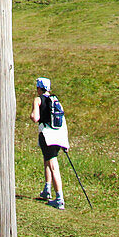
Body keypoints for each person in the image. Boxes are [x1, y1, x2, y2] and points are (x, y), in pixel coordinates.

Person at [31, 77, 69, 209]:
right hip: (59, 137)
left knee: (53, 165)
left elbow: (35, 118)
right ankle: (47, 190)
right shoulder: (55, 100)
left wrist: (33, 114)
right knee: (47, 159)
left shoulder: (38, 100)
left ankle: (59, 199)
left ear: (39, 88)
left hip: (46, 136)